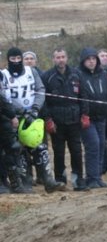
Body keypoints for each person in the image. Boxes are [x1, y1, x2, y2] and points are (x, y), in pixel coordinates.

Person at [1, 47, 65, 193]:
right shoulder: (3, 75)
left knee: (39, 146)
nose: (16, 61)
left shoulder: (31, 71)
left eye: (18, 59)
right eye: (13, 59)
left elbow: (40, 89)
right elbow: (4, 97)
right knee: (19, 149)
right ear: (8, 60)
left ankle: (48, 180)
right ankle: (26, 182)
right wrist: (19, 111)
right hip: (14, 118)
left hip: (34, 116)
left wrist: (35, 108)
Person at [42, 48, 89, 191]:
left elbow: (84, 96)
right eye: (57, 57)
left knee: (76, 151)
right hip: (57, 121)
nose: (60, 60)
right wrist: (48, 119)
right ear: (53, 59)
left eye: (63, 57)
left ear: (67, 58)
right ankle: (60, 180)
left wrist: (85, 114)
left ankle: (78, 180)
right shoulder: (47, 76)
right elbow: (43, 100)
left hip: (74, 120)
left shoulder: (76, 74)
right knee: (59, 152)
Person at [78, 47, 107, 189]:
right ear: (83, 61)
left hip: (101, 116)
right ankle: (91, 178)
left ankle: (97, 176)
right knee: (93, 144)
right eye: (88, 59)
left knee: (100, 146)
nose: (91, 62)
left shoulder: (103, 75)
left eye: (93, 59)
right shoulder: (79, 75)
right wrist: (83, 113)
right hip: (87, 117)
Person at [0, 90, 28, 193]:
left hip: (4, 121)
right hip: (5, 119)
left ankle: (14, 183)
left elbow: (5, 102)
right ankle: (4, 182)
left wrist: (12, 116)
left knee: (11, 151)